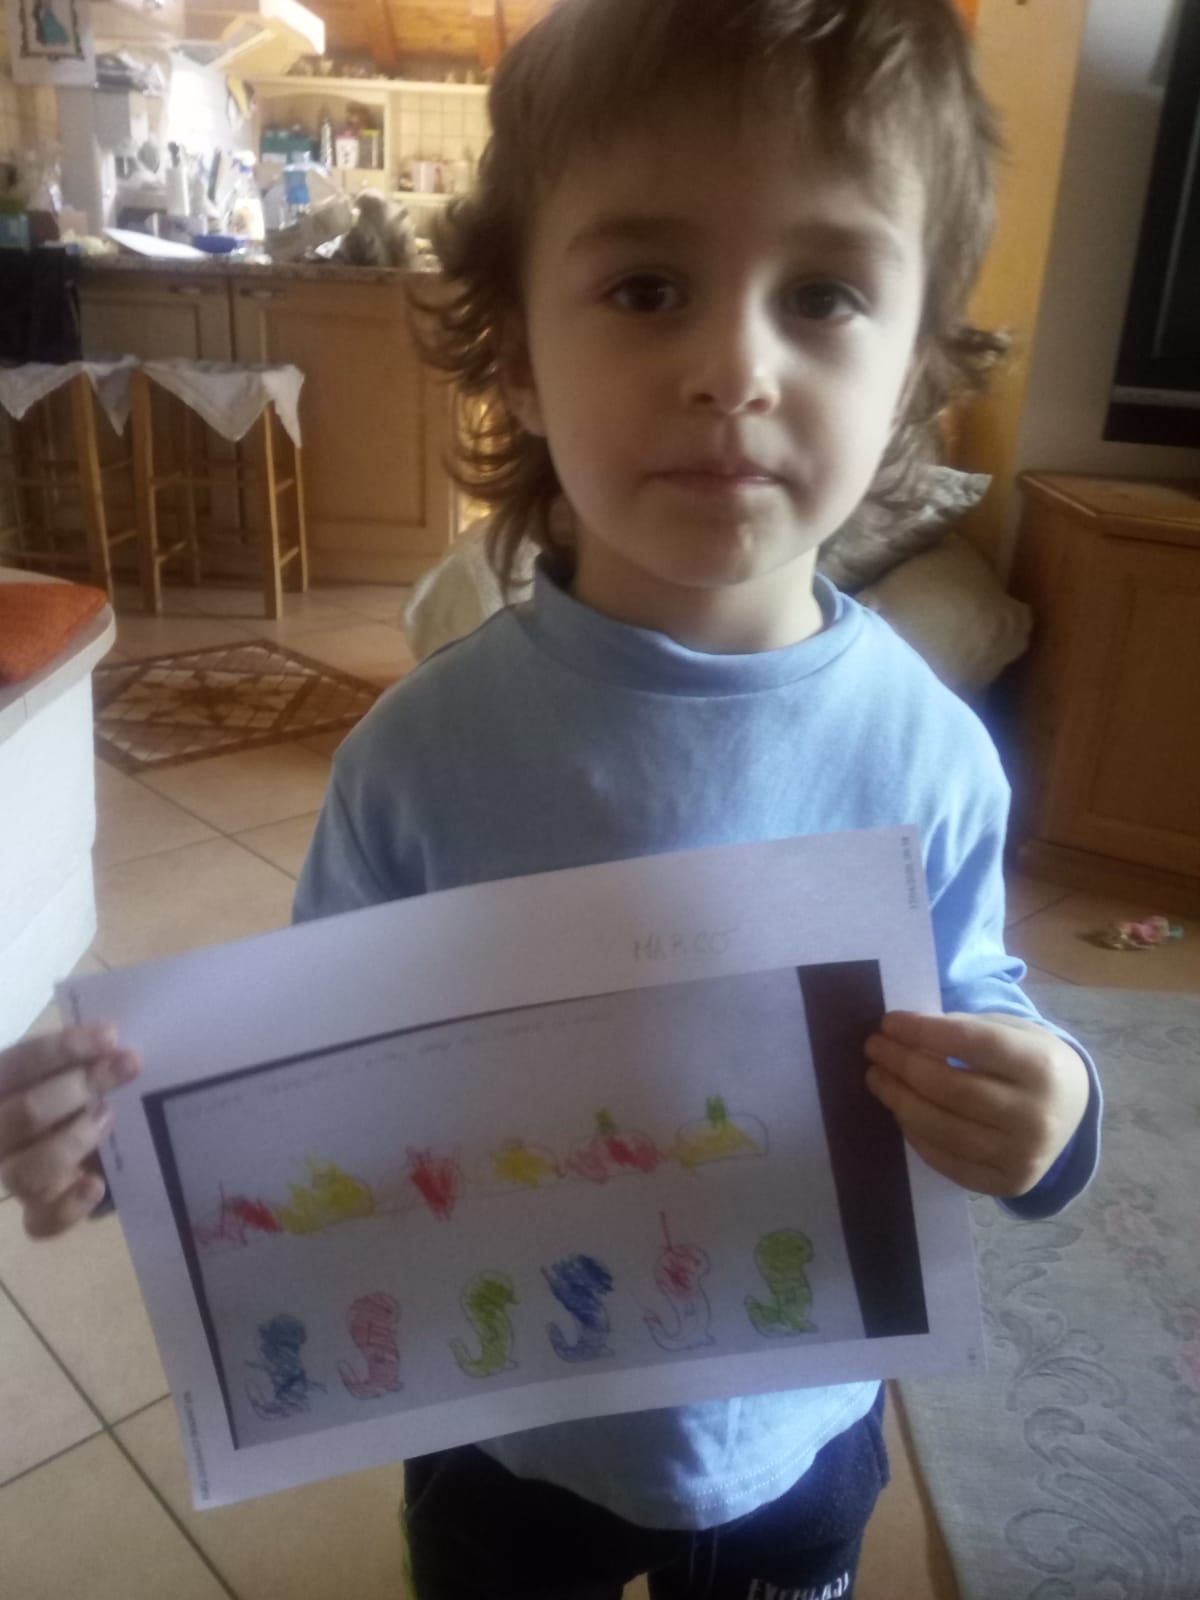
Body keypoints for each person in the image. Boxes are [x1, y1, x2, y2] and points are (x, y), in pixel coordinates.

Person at [0, 1, 1101, 1595]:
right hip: (503, 1434)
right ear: (515, 351)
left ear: (916, 361)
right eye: (647, 288)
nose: (736, 368)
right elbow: (315, 1075)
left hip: (804, 1427)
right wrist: (132, 1141)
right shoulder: (421, 757)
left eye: (825, 294)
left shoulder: (932, 751)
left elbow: (977, 989)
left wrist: (1050, 1102)